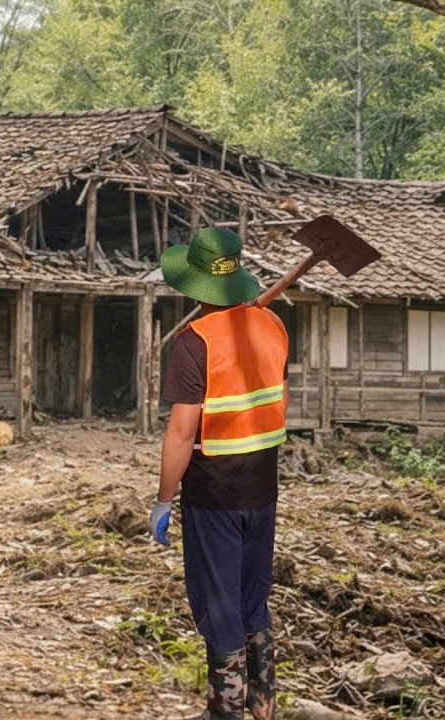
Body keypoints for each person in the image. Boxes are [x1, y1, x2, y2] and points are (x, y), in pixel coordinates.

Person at [148, 228, 288, 720]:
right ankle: (263, 705)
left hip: (214, 494)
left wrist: (165, 500)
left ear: (196, 283)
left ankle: (225, 710)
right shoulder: (273, 327)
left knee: (220, 605)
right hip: (263, 489)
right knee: (253, 600)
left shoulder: (193, 343)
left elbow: (182, 433)